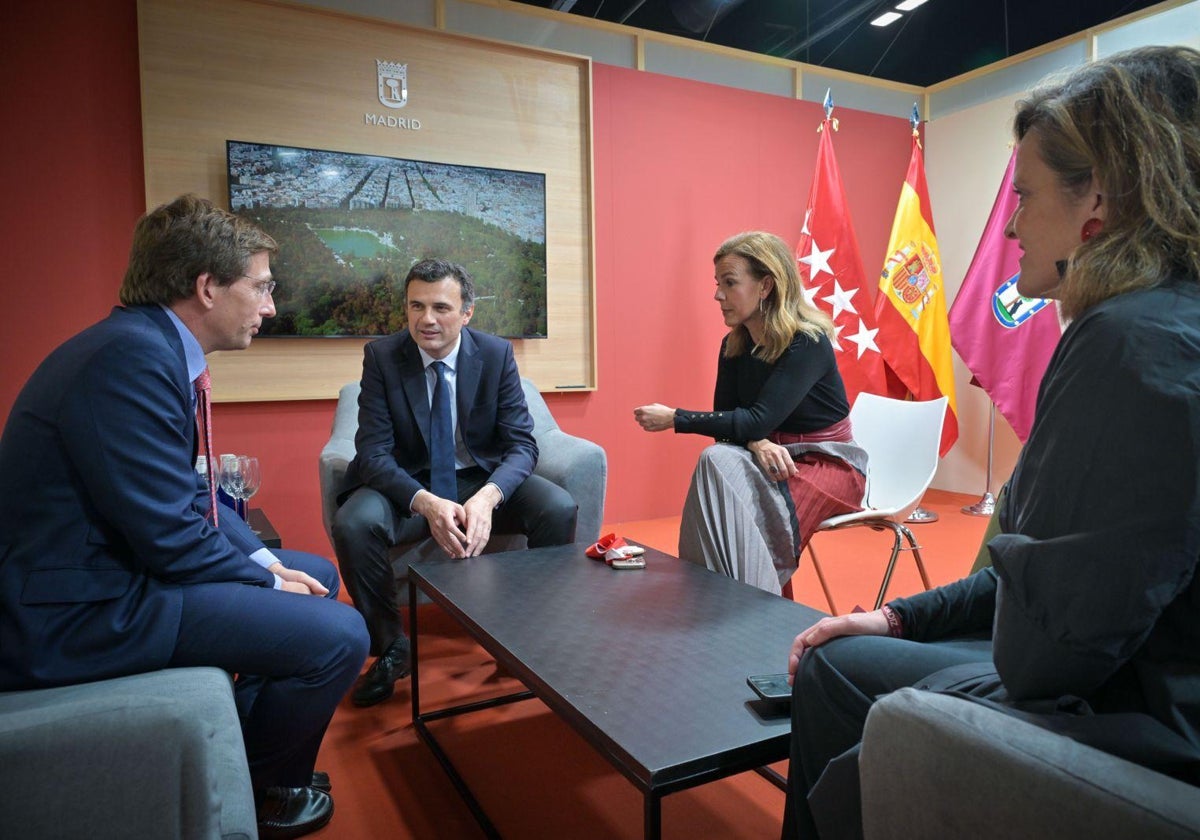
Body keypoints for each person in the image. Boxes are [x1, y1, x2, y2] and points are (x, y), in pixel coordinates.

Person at [782, 45, 1200, 840]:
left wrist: (914, 623)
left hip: (1148, 732)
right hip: (1153, 689)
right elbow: (1063, 573)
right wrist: (901, 620)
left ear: (1098, 204)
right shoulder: (1170, 323)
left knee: (834, 670)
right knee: (866, 647)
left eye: (1026, 193)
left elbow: (1042, 651)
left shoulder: (1128, 342)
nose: (1009, 223)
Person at [0, 195, 369, 839]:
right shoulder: (131, 360)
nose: (271, 306)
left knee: (311, 570)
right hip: (78, 608)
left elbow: (186, 497)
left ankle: (258, 746)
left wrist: (266, 562)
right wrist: (264, 580)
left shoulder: (140, 347)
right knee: (340, 637)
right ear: (206, 287)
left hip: (109, 569)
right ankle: (259, 791)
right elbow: (170, 536)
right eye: (260, 287)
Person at [332, 258, 578, 707]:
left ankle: (522, 636)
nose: (427, 319)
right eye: (416, 306)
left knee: (557, 507)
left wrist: (489, 496)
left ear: (467, 313)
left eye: (441, 307)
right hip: (407, 484)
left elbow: (522, 445)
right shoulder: (382, 357)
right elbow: (372, 453)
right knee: (353, 523)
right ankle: (391, 648)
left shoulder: (496, 354)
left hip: (477, 478)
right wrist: (424, 501)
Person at [633, 231, 867, 595]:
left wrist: (675, 417)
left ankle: (756, 609)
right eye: (717, 283)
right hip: (772, 454)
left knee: (751, 517)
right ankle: (716, 593)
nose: (718, 295)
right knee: (717, 459)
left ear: (766, 286)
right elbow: (728, 425)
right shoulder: (734, 344)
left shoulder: (807, 340)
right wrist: (757, 442)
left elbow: (756, 418)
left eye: (729, 283)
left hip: (829, 464)